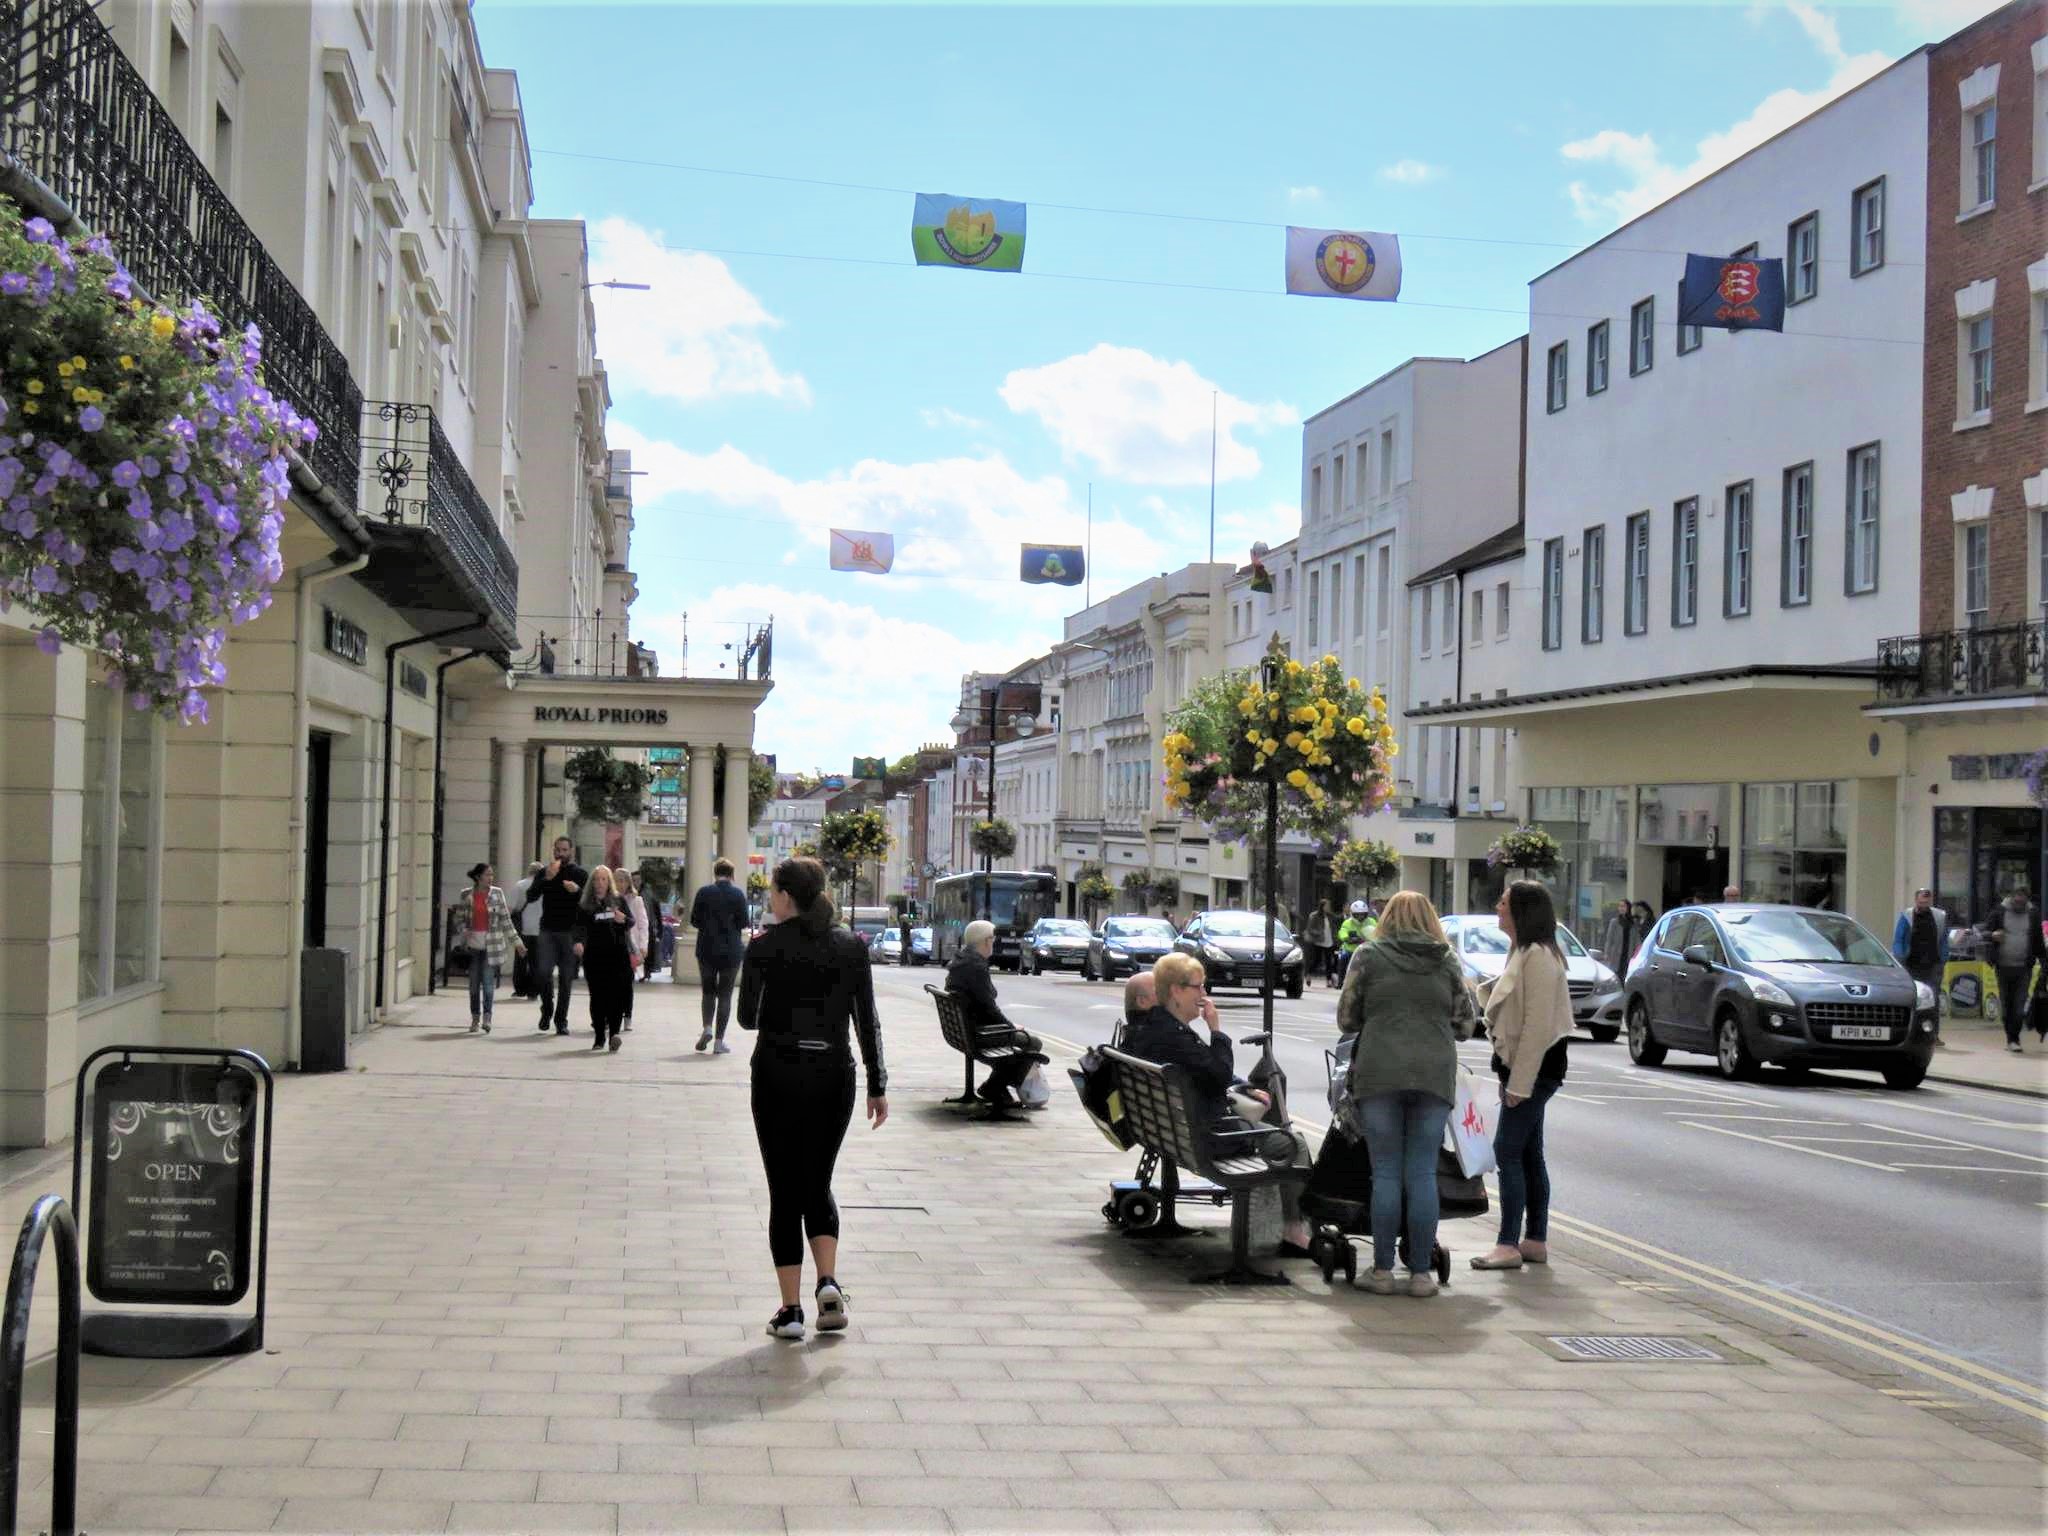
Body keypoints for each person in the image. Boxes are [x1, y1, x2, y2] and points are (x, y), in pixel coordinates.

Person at [736, 856, 888, 1340]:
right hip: (833, 1073)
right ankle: (828, 1282)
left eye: (771, 893)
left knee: (785, 1191)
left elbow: (746, 1019)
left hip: (779, 1071)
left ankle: (790, 1311)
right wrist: (877, 1082)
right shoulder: (850, 945)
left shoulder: (764, 946)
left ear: (784, 896)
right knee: (817, 1182)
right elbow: (867, 1019)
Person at [1338, 890, 1477, 1297]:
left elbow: (1347, 1018)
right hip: (1433, 1076)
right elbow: (1466, 1026)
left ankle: (1381, 1272)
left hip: (1379, 1073)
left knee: (1384, 1172)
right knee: (1421, 1173)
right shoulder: (1447, 960)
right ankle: (1420, 1274)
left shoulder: (1367, 956)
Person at [1124, 954, 1313, 1253]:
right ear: (1176, 991)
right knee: (1294, 1145)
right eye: (1198, 987)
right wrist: (1216, 1030)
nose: (1203, 995)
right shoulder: (1173, 1037)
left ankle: (1285, 1226)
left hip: (1176, 1132)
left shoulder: (1152, 1028)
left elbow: (1210, 1077)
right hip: (1210, 1138)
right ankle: (1292, 1229)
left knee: (1275, 1133)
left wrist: (1240, 1088)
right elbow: (1218, 1073)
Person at [1473, 881, 1573, 1272]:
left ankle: (1508, 1244)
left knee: (1507, 1150)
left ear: (1522, 911)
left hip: (1537, 1070)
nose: (1497, 907)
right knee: (1529, 1153)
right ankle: (1534, 1240)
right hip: (1524, 1070)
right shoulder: (1523, 951)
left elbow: (1536, 1028)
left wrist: (1519, 1084)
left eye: (1504, 902)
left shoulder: (1539, 957)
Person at [946, 920, 1047, 1106]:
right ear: (985, 941)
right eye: (992, 939)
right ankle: (994, 1087)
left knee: (1020, 1045)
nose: (993, 943)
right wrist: (1010, 1028)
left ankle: (997, 1087)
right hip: (979, 1035)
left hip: (965, 1032)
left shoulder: (961, 961)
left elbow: (984, 1005)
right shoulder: (975, 967)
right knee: (1032, 1043)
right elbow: (989, 1007)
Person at [691, 857, 751, 1054]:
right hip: (730, 951)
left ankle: (707, 1027)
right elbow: (744, 922)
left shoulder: (704, 892)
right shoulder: (737, 894)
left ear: (715, 873)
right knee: (725, 995)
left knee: (708, 992)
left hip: (706, 949)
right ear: (732, 875)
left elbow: (694, 920)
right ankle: (718, 1042)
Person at [572, 865, 634, 1053]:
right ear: (592, 883)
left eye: (603, 879)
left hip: (617, 954)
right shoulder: (585, 905)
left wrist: (623, 920)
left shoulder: (618, 900)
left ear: (609, 882)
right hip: (594, 956)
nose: (600, 883)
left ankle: (614, 1034)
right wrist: (578, 942)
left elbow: (631, 921)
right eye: (597, 879)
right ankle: (599, 1036)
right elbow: (579, 928)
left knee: (616, 996)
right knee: (598, 997)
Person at [1979, 886, 2047, 1053]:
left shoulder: (2032, 914)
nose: (2019, 900)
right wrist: (1993, 935)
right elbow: (1983, 933)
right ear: (2011, 897)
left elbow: (2038, 940)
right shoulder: (1999, 911)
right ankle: (2010, 1037)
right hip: (2003, 966)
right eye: (2016, 896)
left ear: (2027, 898)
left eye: (2022, 897)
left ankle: (2014, 1038)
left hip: (2024, 967)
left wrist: (2044, 962)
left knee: (2019, 1005)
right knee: (2006, 1005)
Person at [460, 862, 525, 1033]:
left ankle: (487, 1018)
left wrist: (517, 942)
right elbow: (459, 920)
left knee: (488, 984)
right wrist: (464, 930)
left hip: (491, 947)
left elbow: (506, 920)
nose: (490, 878)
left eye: (492, 875)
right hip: (473, 947)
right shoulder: (467, 895)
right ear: (478, 877)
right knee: (474, 986)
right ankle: (475, 1018)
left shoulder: (497, 894)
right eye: (487, 874)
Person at [530, 838, 586, 1034]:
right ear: (553, 851)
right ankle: (547, 1009)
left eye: (564, 850)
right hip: (548, 930)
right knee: (543, 972)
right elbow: (531, 896)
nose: (560, 853)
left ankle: (561, 1021)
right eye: (557, 850)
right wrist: (546, 877)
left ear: (571, 851)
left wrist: (577, 890)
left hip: (570, 932)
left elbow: (588, 903)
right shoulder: (544, 872)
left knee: (566, 979)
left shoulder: (579, 874)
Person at [1892, 887, 1949, 1040]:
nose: (1924, 904)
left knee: (1933, 999)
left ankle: (1933, 1034)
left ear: (1930, 901)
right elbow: (1898, 939)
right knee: (1913, 998)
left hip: (1933, 964)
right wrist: (1900, 956)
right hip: (1911, 964)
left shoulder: (1939, 916)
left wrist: (1943, 958)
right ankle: (1912, 1033)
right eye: (1921, 901)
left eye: (1927, 901)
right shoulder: (1907, 916)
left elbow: (1944, 938)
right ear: (1916, 900)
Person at [508, 862, 544, 998]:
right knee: (536, 961)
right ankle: (534, 991)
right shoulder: (546, 886)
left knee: (521, 959)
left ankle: (520, 988)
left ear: (529, 871)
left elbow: (510, 909)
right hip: (540, 928)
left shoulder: (520, 885)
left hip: (522, 928)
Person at [619, 869, 647, 1033]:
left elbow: (643, 925)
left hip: (630, 947)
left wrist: (643, 945)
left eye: (623, 880)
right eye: (617, 880)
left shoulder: (636, 901)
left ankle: (627, 1016)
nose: (620, 884)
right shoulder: (609, 899)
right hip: (612, 946)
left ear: (629, 883)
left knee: (627, 984)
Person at [1336, 899, 1375, 984]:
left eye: (1362, 914)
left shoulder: (1371, 921)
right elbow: (1342, 931)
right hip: (1350, 949)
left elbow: (1377, 930)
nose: (1360, 917)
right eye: (1358, 915)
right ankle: (1340, 981)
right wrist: (1346, 938)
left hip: (1367, 949)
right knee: (1343, 959)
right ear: (1353, 914)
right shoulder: (1347, 923)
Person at [1304, 899, 1337, 989]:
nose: (1328, 908)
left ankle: (1329, 980)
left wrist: (1335, 938)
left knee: (1329, 961)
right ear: (1322, 906)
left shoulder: (1331, 916)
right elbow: (1310, 928)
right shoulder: (1314, 916)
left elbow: (1334, 927)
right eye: (1327, 906)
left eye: (1329, 906)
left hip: (1329, 941)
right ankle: (1308, 974)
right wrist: (1318, 933)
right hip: (1318, 941)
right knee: (1316, 961)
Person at [1598, 899, 1638, 974]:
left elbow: (1636, 940)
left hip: (1628, 954)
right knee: (1616, 974)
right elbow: (1609, 939)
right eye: (1620, 906)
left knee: (1626, 974)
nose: (1621, 908)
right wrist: (1606, 953)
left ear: (1628, 908)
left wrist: (1636, 953)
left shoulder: (1633, 923)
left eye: (1623, 906)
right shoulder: (1614, 922)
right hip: (1616, 954)